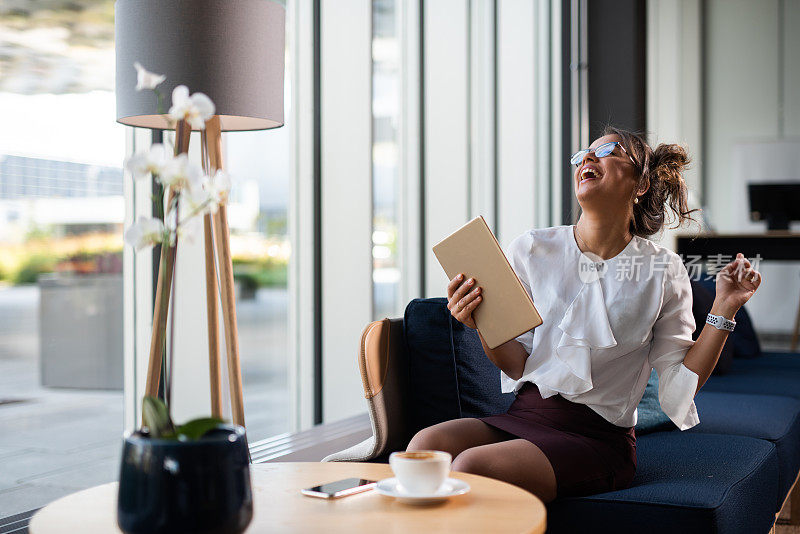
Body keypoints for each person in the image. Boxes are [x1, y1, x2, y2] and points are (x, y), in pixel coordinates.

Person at [405, 126, 763, 503]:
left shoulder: (663, 269)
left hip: (596, 437)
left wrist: (724, 308)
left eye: (607, 150)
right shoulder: (531, 248)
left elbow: (678, 380)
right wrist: (480, 323)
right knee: (425, 447)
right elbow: (515, 365)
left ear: (640, 184)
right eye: (582, 155)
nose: (587, 159)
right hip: (524, 415)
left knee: (472, 468)